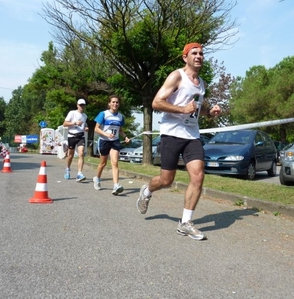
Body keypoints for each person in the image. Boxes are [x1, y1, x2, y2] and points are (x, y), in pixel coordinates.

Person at [136, 43, 221, 241]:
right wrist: (182, 109)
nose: (199, 56)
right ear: (185, 57)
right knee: (167, 180)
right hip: (171, 134)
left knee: (198, 175)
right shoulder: (177, 76)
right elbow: (156, 102)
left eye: (201, 53)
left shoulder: (202, 83)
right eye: (194, 53)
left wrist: (210, 112)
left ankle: (185, 222)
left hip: (192, 135)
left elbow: (196, 109)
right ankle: (147, 191)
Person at [93, 95, 130, 195]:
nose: (115, 104)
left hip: (115, 141)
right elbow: (96, 129)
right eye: (113, 102)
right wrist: (106, 134)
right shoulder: (103, 114)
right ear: (109, 103)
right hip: (104, 140)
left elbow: (120, 130)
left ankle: (116, 185)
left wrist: (125, 137)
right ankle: (97, 178)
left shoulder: (120, 116)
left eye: (117, 102)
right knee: (103, 163)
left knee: (115, 162)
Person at [63, 98, 89, 182]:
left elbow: (84, 125)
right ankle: (67, 168)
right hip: (72, 136)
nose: (82, 106)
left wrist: (86, 128)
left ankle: (79, 173)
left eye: (83, 105)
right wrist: (74, 123)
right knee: (70, 155)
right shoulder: (72, 113)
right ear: (77, 105)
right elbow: (65, 124)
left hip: (81, 136)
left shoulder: (85, 116)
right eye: (80, 105)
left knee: (81, 154)